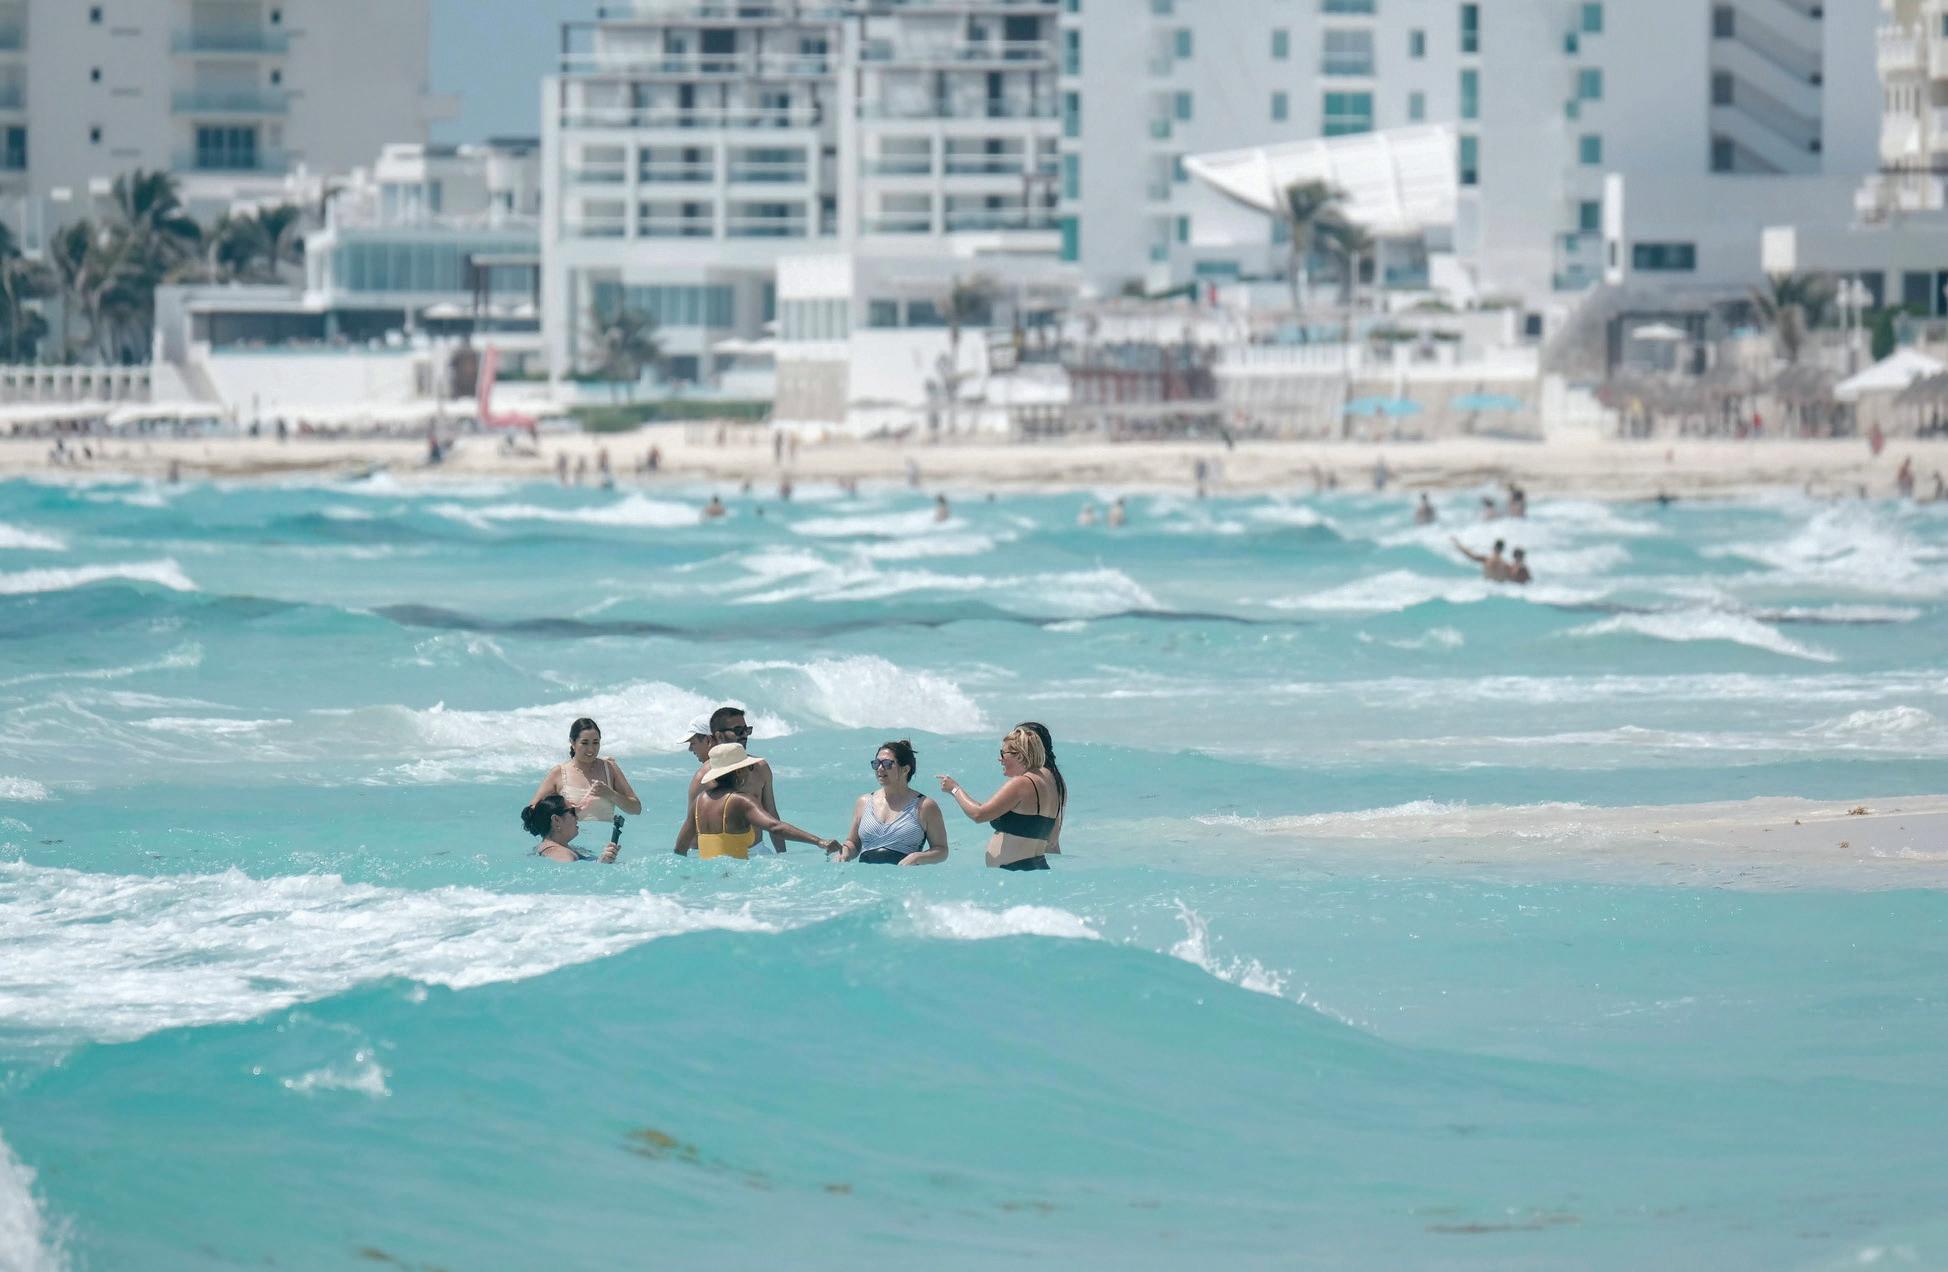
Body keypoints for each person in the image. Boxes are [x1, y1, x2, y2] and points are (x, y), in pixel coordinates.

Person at [936, 726, 1063, 871]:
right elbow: (1052, 838)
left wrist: (954, 789)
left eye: (1003, 753)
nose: (1000, 759)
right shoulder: (1049, 783)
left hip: (1014, 870)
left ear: (1019, 755)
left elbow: (978, 814)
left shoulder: (1021, 783)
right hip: (1035, 866)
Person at [682, 744, 836, 860]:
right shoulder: (741, 801)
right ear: (739, 771)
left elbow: (680, 848)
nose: (752, 771)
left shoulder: (700, 801)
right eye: (749, 767)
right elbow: (775, 827)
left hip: (711, 874)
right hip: (737, 875)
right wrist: (819, 841)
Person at [673, 706, 788, 855]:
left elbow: (772, 814)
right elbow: (693, 836)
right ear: (718, 736)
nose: (745, 735)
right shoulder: (702, 778)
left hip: (758, 852)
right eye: (739, 731)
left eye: (747, 730)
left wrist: (782, 855)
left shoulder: (761, 767)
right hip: (724, 858)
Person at [836, 740, 949, 865]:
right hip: (865, 875)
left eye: (887, 764)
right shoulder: (863, 802)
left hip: (903, 875)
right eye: (876, 763)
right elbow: (853, 843)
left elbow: (941, 850)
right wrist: (845, 852)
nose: (880, 768)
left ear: (905, 769)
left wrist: (917, 857)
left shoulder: (924, 806)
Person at [529, 717, 643, 827]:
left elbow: (636, 809)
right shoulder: (559, 773)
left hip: (607, 840)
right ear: (572, 742)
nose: (591, 749)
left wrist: (611, 794)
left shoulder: (610, 768)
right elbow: (531, 812)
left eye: (595, 742)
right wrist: (563, 809)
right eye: (584, 743)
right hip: (570, 839)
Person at [524, 793, 620, 863]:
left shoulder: (546, 848)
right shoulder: (564, 855)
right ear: (556, 820)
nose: (577, 817)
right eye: (572, 812)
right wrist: (601, 863)